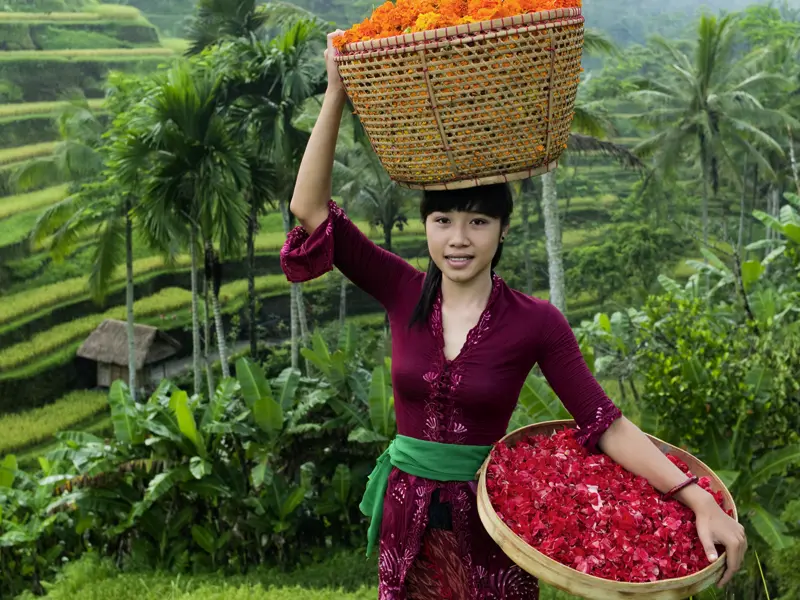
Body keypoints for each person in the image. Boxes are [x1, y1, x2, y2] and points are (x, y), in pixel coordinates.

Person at [279, 30, 747, 600]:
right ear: (425, 225)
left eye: (477, 222)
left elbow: (607, 423)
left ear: (502, 230)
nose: (457, 239)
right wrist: (336, 94)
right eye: (443, 220)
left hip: (492, 530)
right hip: (408, 523)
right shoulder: (401, 289)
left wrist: (695, 495)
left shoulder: (536, 323)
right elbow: (309, 210)